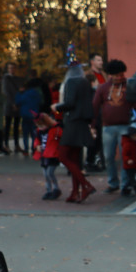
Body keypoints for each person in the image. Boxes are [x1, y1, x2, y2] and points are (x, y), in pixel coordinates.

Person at [53, 48, 96, 203]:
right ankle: (76, 192)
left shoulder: (71, 82)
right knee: (75, 159)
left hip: (72, 123)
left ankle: (86, 185)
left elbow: (70, 103)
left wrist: (57, 107)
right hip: (82, 122)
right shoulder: (85, 82)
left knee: (63, 156)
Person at [93, 60, 136, 195]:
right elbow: (95, 107)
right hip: (108, 127)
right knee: (108, 156)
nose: (119, 77)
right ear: (110, 75)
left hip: (125, 127)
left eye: (121, 75)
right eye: (116, 75)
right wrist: (92, 125)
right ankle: (113, 182)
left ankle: (125, 184)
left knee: (125, 157)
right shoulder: (102, 88)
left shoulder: (129, 86)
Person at [33, 113, 62, 200]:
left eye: (42, 125)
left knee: (50, 173)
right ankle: (49, 190)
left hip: (53, 155)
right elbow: (37, 140)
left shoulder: (56, 129)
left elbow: (60, 139)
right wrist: (37, 145)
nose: (40, 128)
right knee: (45, 174)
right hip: (44, 155)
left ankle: (56, 189)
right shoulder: (39, 131)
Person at [86, 54, 106, 172]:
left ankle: (98, 161)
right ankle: (90, 161)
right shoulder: (88, 75)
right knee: (93, 138)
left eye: (101, 60)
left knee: (100, 139)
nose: (101, 62)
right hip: (94, 110)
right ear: (92, 62)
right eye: (99, 60)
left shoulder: (104, 75)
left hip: (103, 110)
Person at [0, 61, 24, 152]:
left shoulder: (18, 79)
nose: (12, 69)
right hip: (9, 105)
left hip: (17, 105)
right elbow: (6, 93)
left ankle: (16, 145)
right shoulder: (5, 79)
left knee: (16, 126)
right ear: (8, 69)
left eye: (13, 68)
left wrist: (18, 103)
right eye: (10, 68)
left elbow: (21, 91)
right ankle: (6, 144)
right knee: (8, 125)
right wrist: (13, 103)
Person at [121, 123, 136, 196]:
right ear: (132, 135)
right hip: (130, 166)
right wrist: (128, 160)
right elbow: (124, 154)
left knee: (131, 180)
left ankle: (125, 190)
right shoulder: (128, 144)